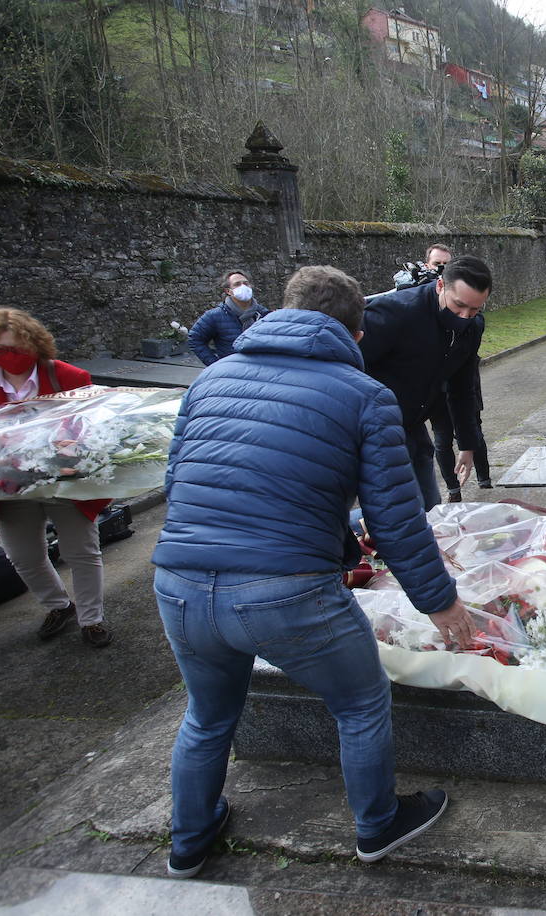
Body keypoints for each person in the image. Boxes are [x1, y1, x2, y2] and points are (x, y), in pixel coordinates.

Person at [152, 265, 475, 878]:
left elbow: (179, 484)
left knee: (208, 715)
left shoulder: (212, 377)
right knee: (359, 702)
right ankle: (377, 825)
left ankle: (188, 841)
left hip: (180, 582)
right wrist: (441, 602)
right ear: (356, 334)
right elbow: (397, 520)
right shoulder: (366, 396)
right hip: (285, 590)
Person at [0, 308, 113, 648]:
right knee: (22, 556)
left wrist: (75, 445)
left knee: (82, 551)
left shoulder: (68, 376)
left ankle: (91, 618)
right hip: (7, 487)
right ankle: (58, 605)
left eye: (16, 348)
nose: (8, 356)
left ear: (34, 344)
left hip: (64, 481)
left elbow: (93, 424)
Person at [360, 255, 491, 510]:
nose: (465, 317)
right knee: (402, 510)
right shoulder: (395, 313)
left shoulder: (472, 328)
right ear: (440, 286)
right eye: (459, 306)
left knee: (431, 506)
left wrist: (467, 443)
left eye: (475, 310)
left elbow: (462, 387)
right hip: (378, 426)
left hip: (415, 424)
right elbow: (348, 366)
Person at [188, 270, 270, 366]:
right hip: (231, 372)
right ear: (228, 291)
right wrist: (214, 364)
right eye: (237, 284)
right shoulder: (215, 315)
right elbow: (195, 338)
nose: (243, 287)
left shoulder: (264, 314)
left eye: (246, 283)